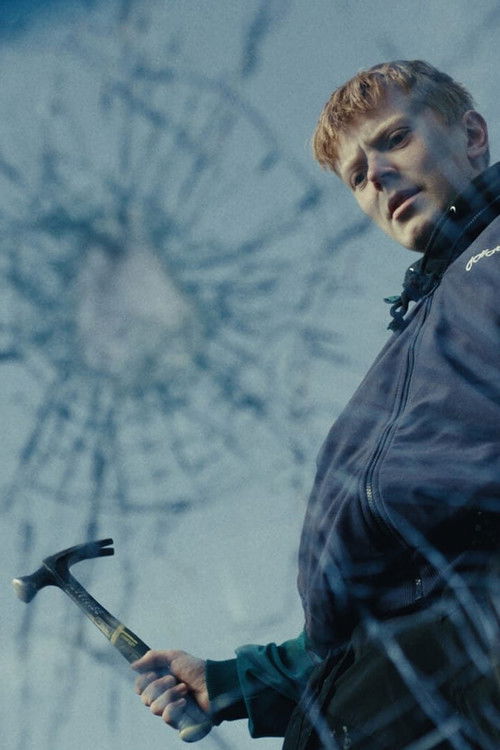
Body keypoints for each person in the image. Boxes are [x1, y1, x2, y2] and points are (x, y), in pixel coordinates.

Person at [132, 60, 500, 748]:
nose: (377, 175)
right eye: (356, 176)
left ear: (472, 135)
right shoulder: (405, 350)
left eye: (394, 139)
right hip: (364, 704)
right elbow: (374, 620)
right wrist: (232, 682)